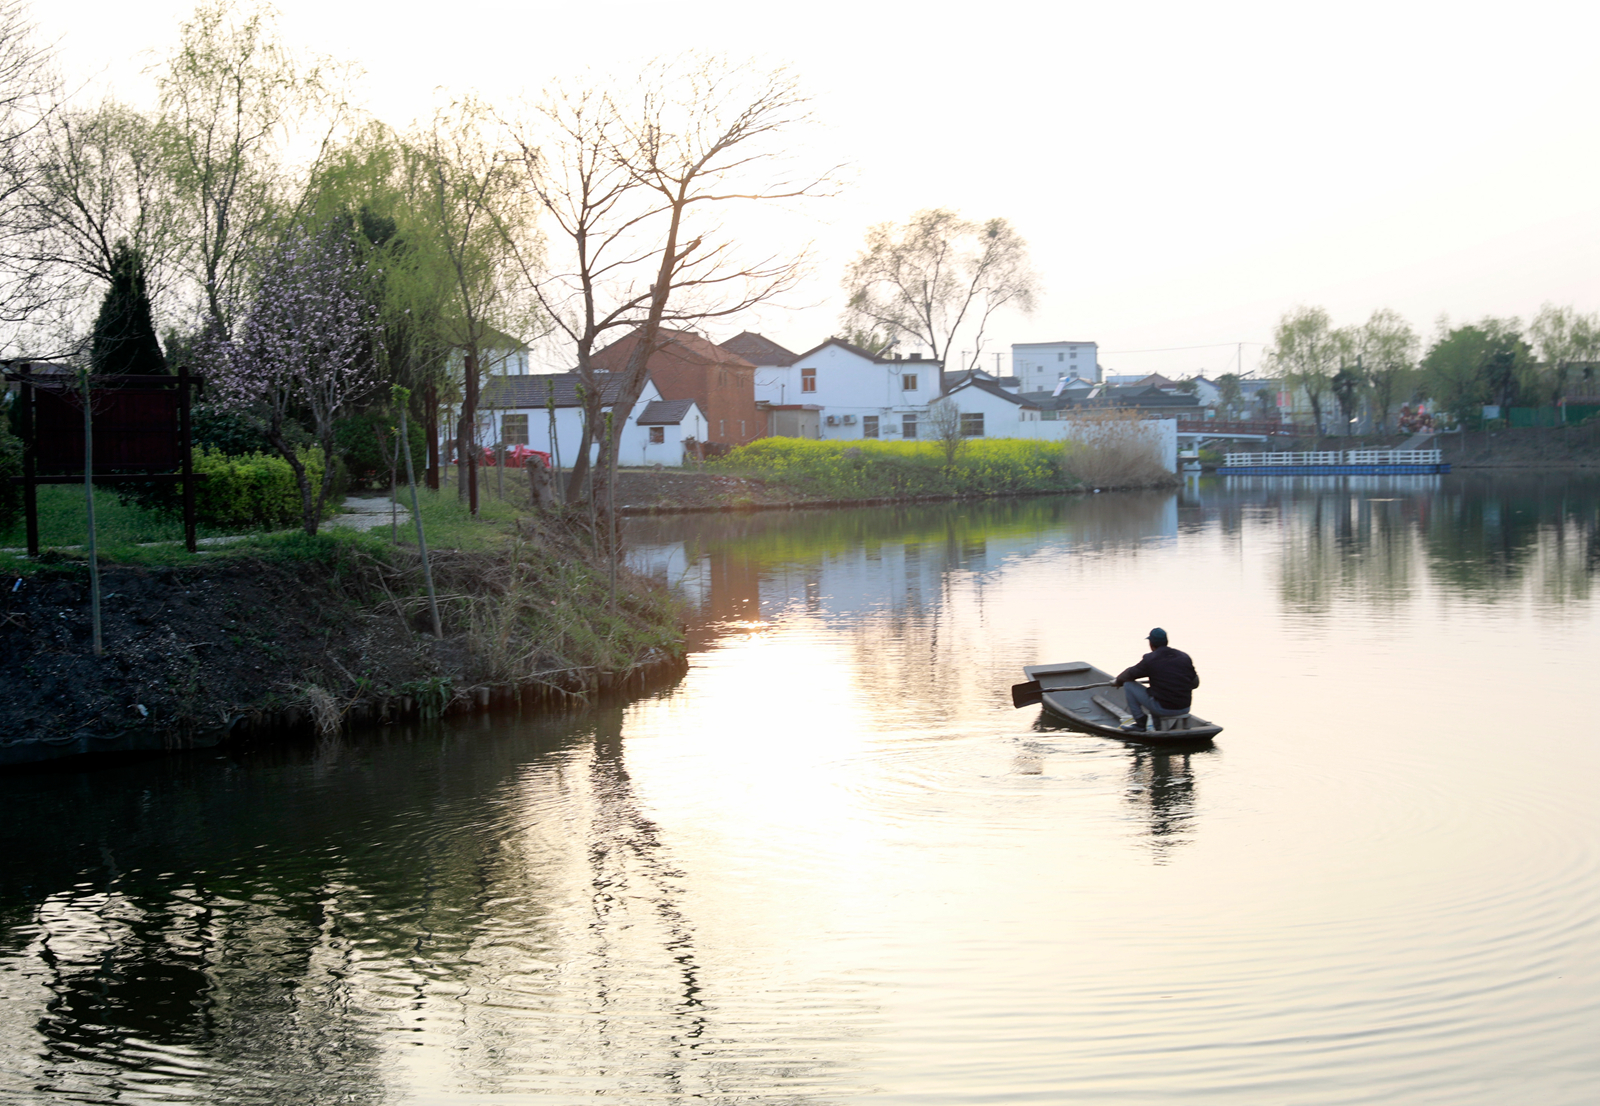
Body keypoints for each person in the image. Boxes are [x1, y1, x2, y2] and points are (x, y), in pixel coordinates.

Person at [1113, 627, 1199, 733]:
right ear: (1166, 641)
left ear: (1151, 644)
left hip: (1163, 709)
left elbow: (1129, 675)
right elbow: (1195, 684)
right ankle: (1158, 726)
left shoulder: (1150, 659)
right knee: (1157, 692)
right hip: (1185, 707)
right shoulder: (1184, 657)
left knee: (1128, 685)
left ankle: (1140, 723)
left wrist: (1118, 681)